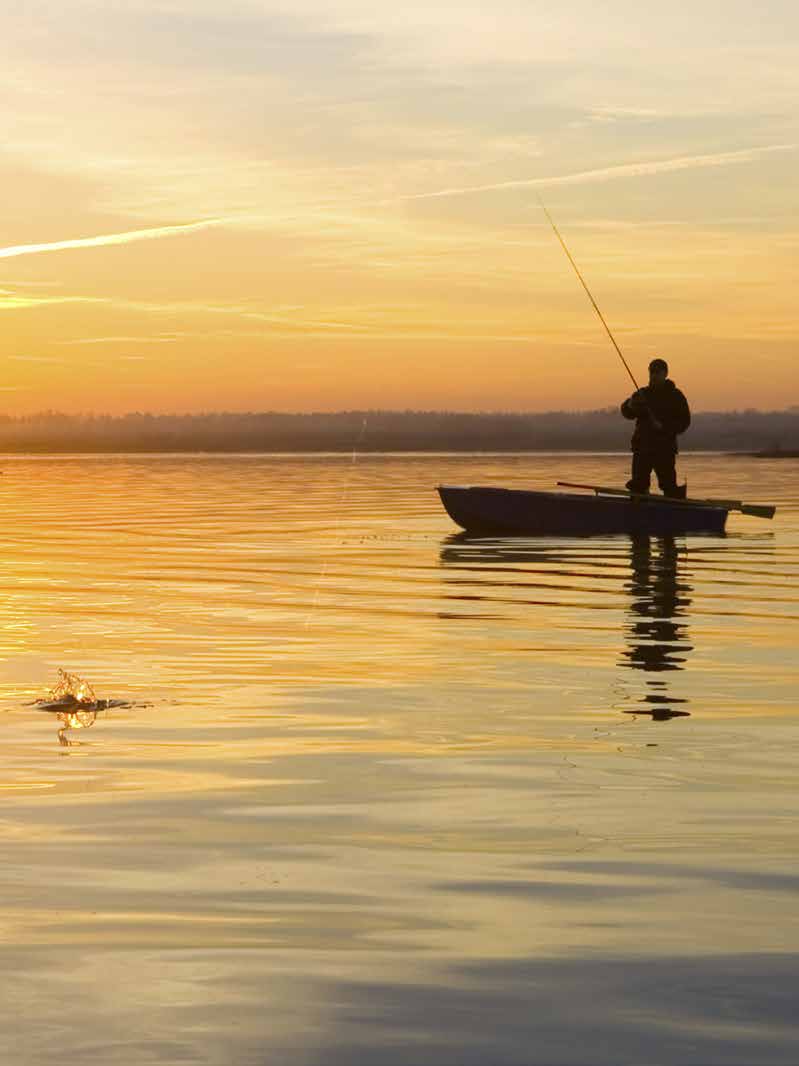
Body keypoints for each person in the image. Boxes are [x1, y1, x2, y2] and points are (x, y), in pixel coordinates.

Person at [621, 358, 690, 498]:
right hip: (642, 448)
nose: (654, 375)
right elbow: (627, 413)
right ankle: (638, 510)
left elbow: (684, 422)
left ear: (665, 373)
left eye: (657, 372)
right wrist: (629, 405)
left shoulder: (676, 396)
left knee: (669, 487)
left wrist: (664, 427)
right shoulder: (642, 394)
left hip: (665, 449)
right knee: (638, 486)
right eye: (651, 372)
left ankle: (676, 512)